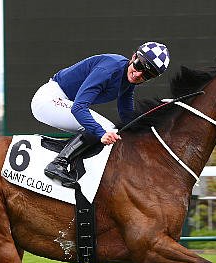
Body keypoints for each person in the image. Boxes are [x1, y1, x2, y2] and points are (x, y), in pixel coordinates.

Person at [31, 41, 170, 188]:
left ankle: (70, 161)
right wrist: (101, 133)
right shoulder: (109, 68)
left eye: (147, 75)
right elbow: (78, 108)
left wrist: (153, 127)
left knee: (112, 130)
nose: (138, 74)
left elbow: (127, 117)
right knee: (105, 129)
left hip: (63, 101)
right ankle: (58, 164)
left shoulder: (128, 81)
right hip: (48, 100)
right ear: (133, 57)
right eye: (139, 65)